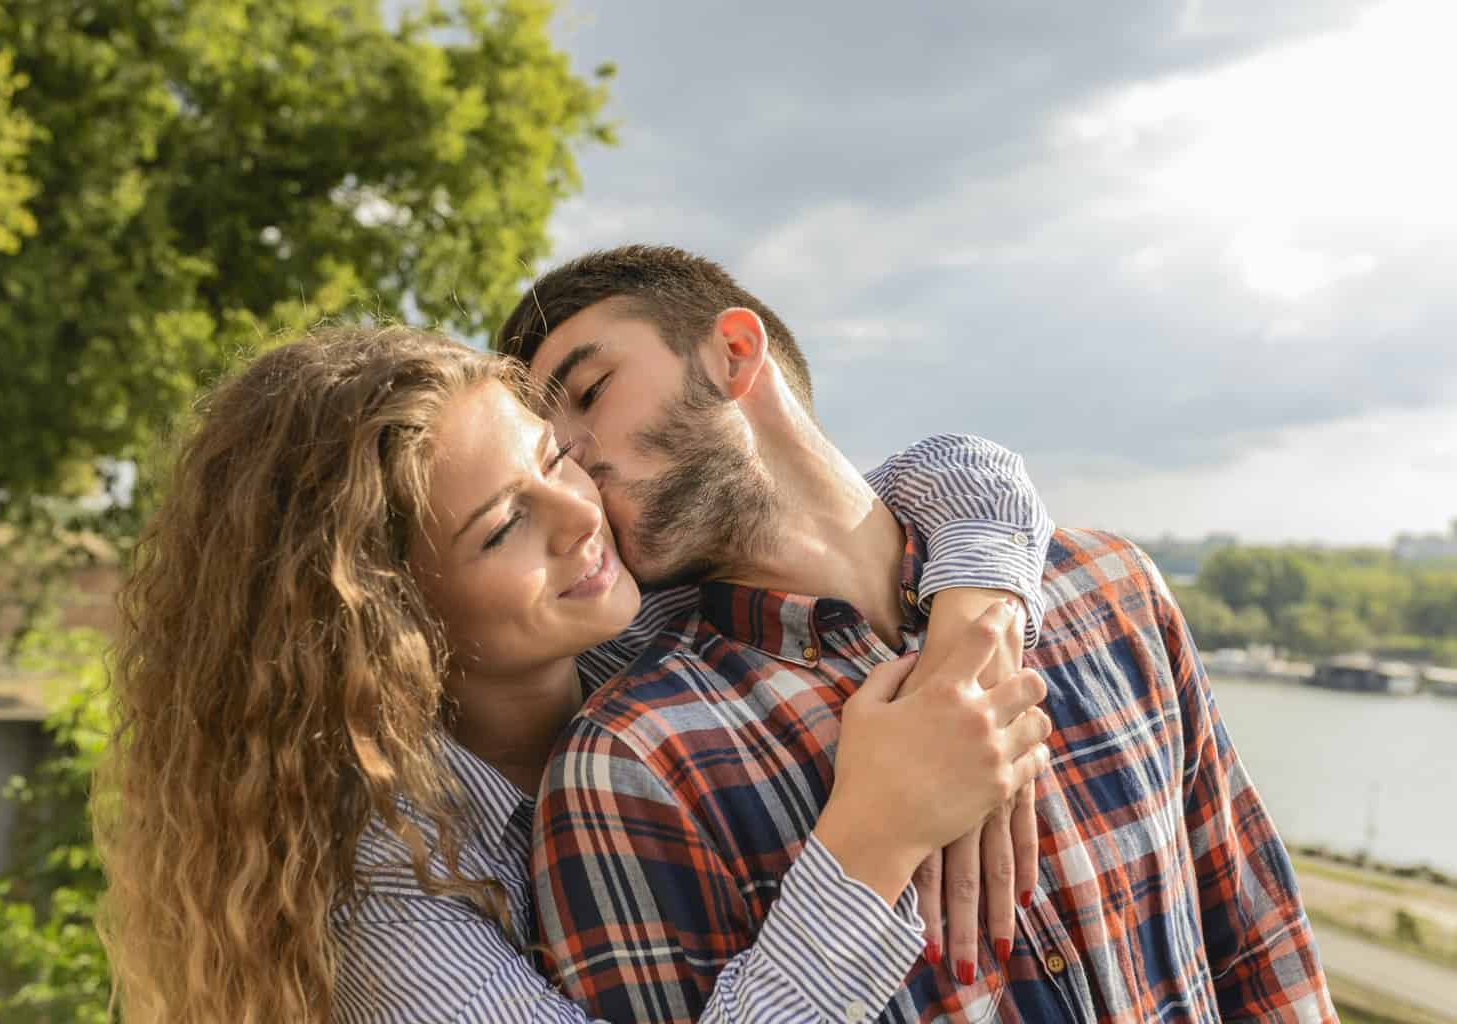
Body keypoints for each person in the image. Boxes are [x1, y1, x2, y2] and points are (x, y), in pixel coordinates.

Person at [96, 324, 1059, 1023]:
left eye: (557, 456)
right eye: (506, 526)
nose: (579, 514)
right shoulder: (384, 893)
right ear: (387, 619)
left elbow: (946, 475)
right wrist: (874, 838)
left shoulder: (640, 619)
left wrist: (971, 638)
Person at [498, 245, 1336, 1023]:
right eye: (548, 450)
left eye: (591, 391)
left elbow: (1260, 950)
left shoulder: (1111, 589)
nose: (574, 456)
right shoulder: (628, 767)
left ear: (735, 354)